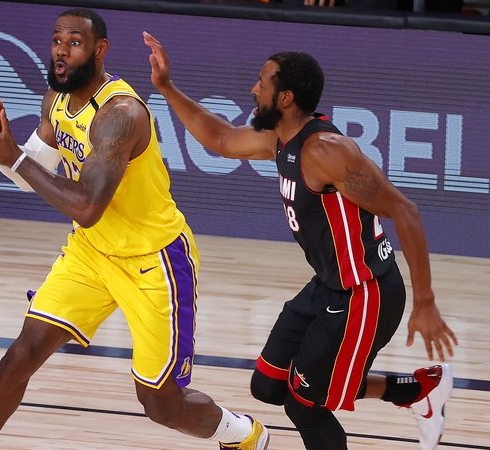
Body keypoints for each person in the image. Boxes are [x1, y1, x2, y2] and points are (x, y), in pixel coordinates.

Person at [0, 8, 269, 450]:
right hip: (92, 253)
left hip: (153, 260)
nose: (61, 49)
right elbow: (31, 175)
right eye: (57, 39)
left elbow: (88, 206)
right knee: (23, 352)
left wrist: (13, 156)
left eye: (75, 42)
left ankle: (245, 434)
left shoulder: (121, 113)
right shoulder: (55, 101)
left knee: (160, 404)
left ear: (99, 50)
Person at [143, 32, 459, 450]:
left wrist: (426, 302)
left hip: (364, 293)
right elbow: (219, 140)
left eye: (263, 82)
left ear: (286, 97)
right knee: (269, 385)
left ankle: (416, 391)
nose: (254, 89)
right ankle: (417, 390)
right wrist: (165, 87)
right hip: (327, 286)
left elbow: (406, 211)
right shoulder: (279, 138)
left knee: (305, 404)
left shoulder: (325, 151)